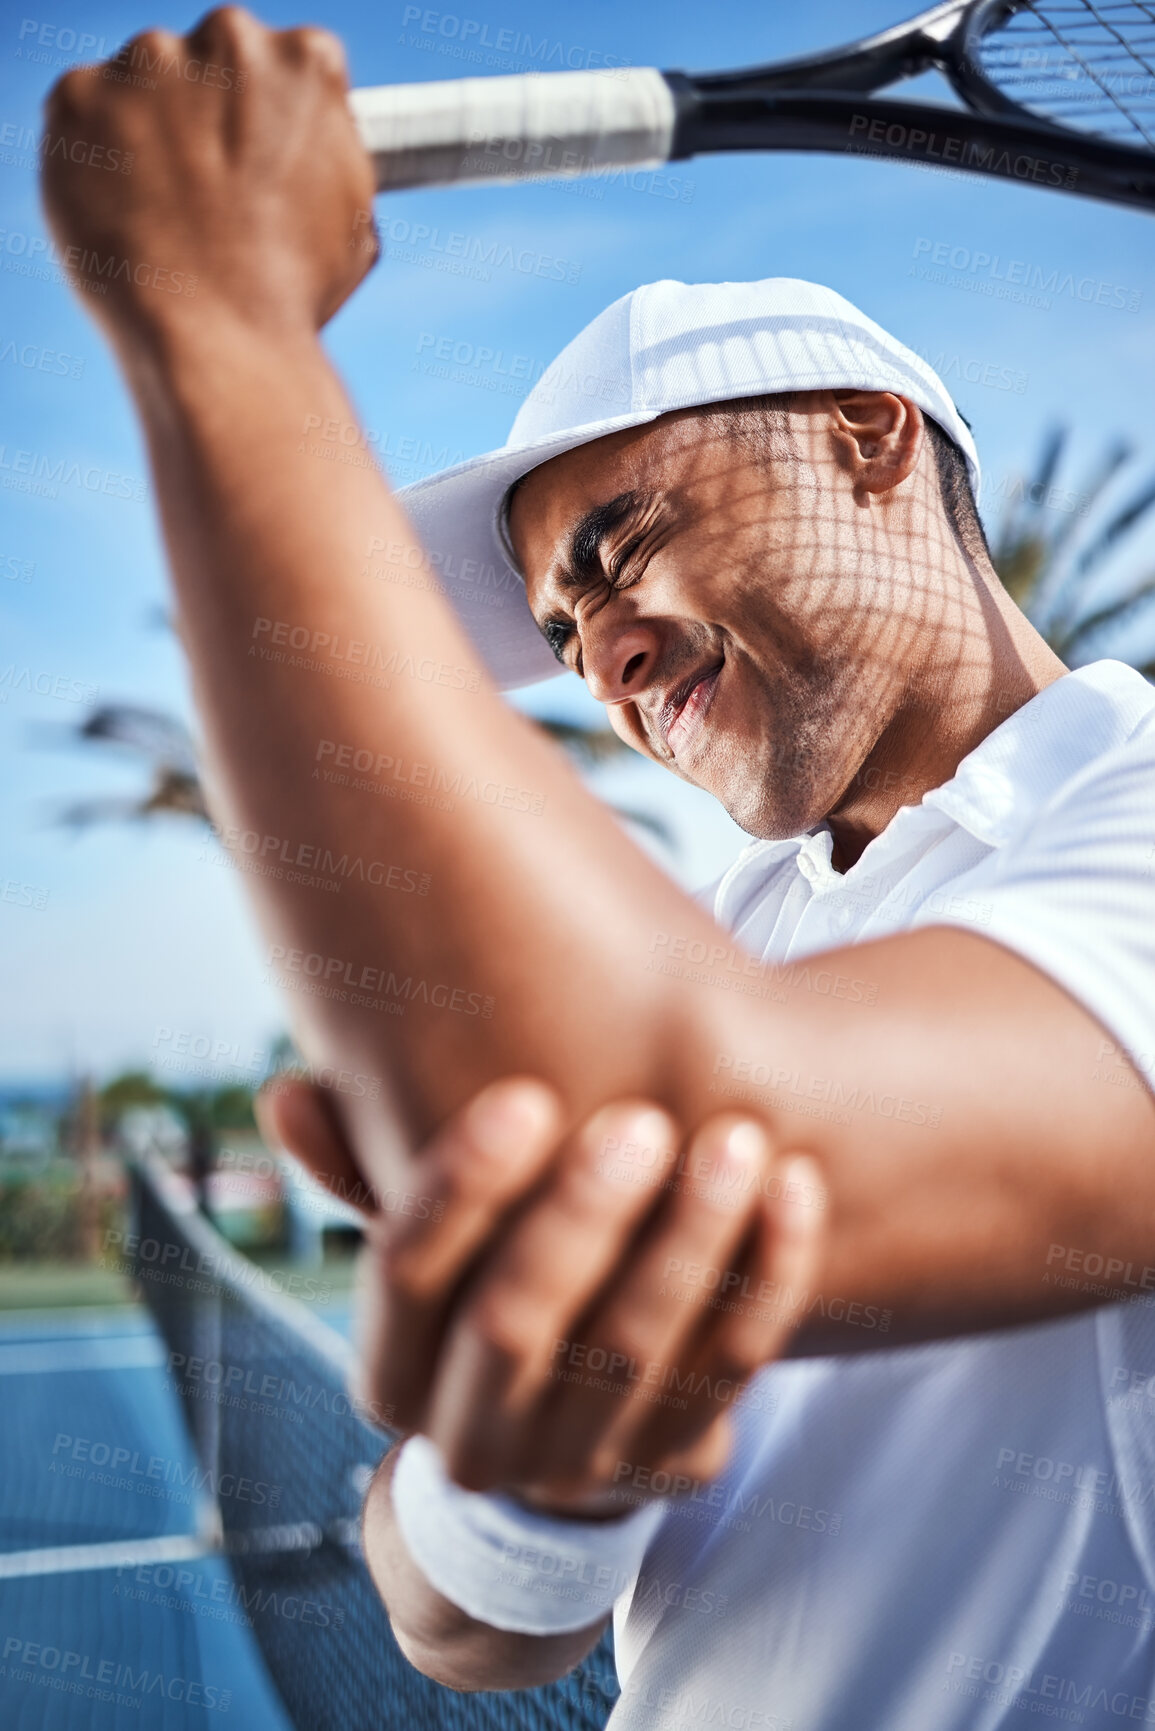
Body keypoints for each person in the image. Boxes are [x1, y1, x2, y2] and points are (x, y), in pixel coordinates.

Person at [41, 12, 1155, 1724]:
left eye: (620, 548)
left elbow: (689, 1133)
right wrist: (537, 1487)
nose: (602, 657)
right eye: (562, 636)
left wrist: (229, 336)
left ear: (867, 438)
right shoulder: (734, 934)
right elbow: (455, 1628)